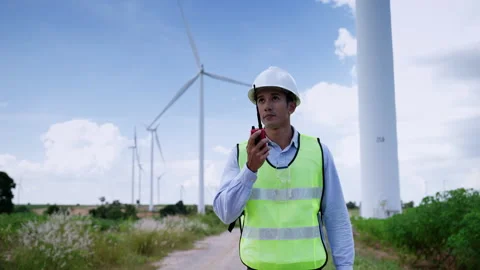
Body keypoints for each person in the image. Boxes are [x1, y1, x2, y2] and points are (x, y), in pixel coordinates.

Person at [213, 66, 354, 270]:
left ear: (292, 106)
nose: (267, 106)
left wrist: (345, 267)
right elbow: (226, 214)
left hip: (308, 267)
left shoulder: (319, 152)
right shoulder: (240, 154)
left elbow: (336, 217)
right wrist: (249, 170)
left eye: (275, 98)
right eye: (261, 100)